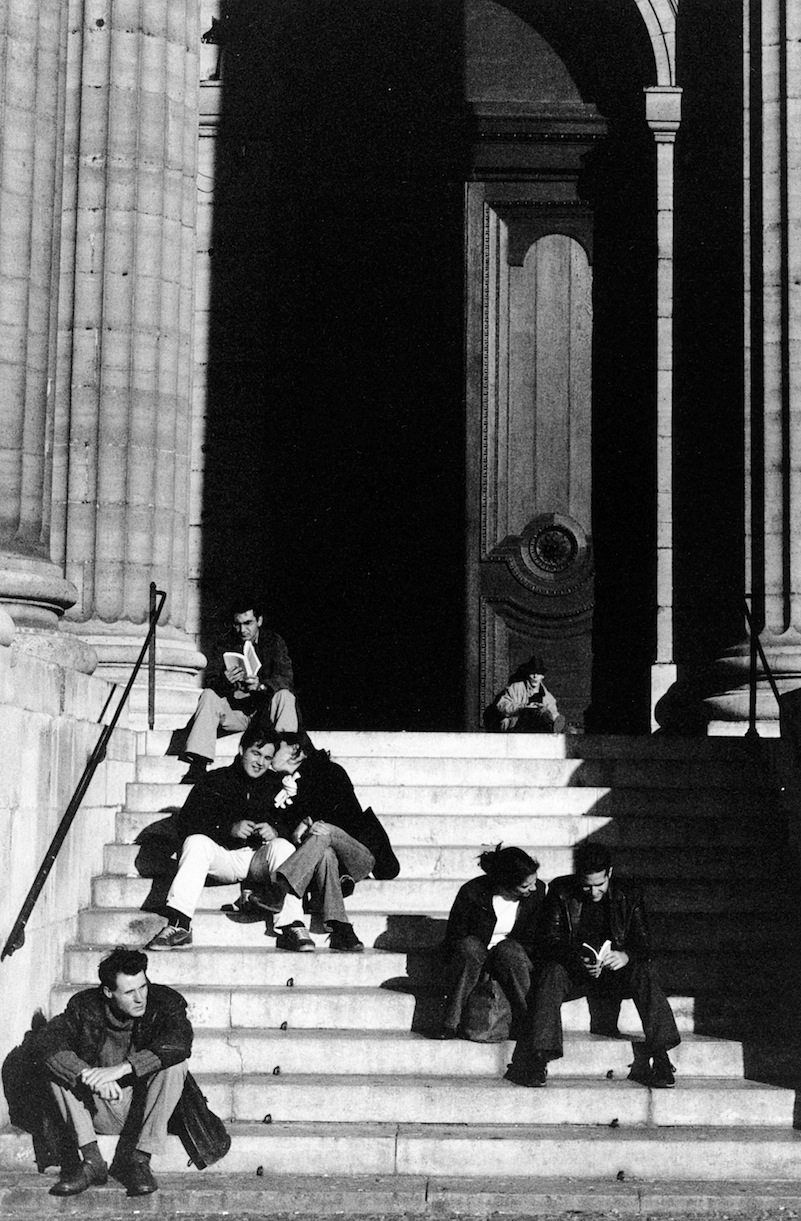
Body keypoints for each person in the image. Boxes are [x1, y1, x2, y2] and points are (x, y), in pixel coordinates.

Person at [31, 947, 219, 1197]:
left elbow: (179, 1042)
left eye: (143, 986)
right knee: (59, 1067)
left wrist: (120, 1070)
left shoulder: (165, 1002)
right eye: (130, 992)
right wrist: (87, 1074)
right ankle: (91, 1161)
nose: (141, 998)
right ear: (108, 992)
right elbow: (47, 1041)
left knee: (174, 1064)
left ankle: (139, 1160)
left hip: (144, 1108)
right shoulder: (84, 1006)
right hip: (99, 1107)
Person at [504, 843, 680, 1088]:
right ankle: (539, 1057)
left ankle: (660, 1056)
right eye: (586, 885)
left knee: (644, 970)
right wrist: (577, 959)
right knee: (552, 972)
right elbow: (549, 941)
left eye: (599, 885)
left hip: (615, 975)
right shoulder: (561, 890)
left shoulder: (629, 893)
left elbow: (644, 943)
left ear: (610, 873)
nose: (593, 892)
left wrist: (626, 956)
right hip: (577, 971)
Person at [145, 724, 307, 950]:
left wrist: (277, 830)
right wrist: (227, 828)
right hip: (224, 857)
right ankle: (180, 924)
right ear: (242, 749)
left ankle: (291, 926)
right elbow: (186, 823)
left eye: (267, 758)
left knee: (284, 847)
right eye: (256, 753)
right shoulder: (214, 779)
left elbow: (296, 825)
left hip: (258, 860)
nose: (260, 762)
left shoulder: (275, 784)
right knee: (195, 842)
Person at [243, 735, 383, 953]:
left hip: (358, 854)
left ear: (294, 750)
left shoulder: (330, 771)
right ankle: (341, 927)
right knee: (325, 851)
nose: (269, 760)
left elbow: (347, 817)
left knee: (322, 831)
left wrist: (309, 822)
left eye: (276, 751)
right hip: (326, 859)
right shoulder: (286, 785)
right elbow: (291, 832)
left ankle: (280, 887)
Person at [180, 598, 298, 782]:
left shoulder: (273, 642)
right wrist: (224, 680)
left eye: (248, 623)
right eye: (237, 625)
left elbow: (286, 678)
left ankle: (285, 764)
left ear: (259, 621)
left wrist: (261, 685)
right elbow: (210, 680)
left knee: (285, 697)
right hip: (236, 712)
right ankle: (198, 763)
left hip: (264, 713)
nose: (243, 630)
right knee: (209, 695)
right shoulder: (224, 644)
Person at [437, 845, 546, 1039]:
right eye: (525, 886)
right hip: (476, 959)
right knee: (470, 947)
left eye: (534, 882)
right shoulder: (472, 892)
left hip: (512, 960)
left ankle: (529, 1021)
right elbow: (455, 936)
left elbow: (536, 939)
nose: (533, 888)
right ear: (505, 882)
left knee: (508, 949)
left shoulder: (538, 894)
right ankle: (450, 1022)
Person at [487, 655, 564, 733]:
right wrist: (522, 707)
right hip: (518, 724)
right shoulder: (515, 688)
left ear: (542, 676)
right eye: (532, 673)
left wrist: (546, 711)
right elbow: (501, 705)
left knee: (545, 717)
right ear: (528, 673)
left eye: (538, 673)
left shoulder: (548, 697)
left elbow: (554, 714)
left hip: (538, 729)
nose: (535, 676)